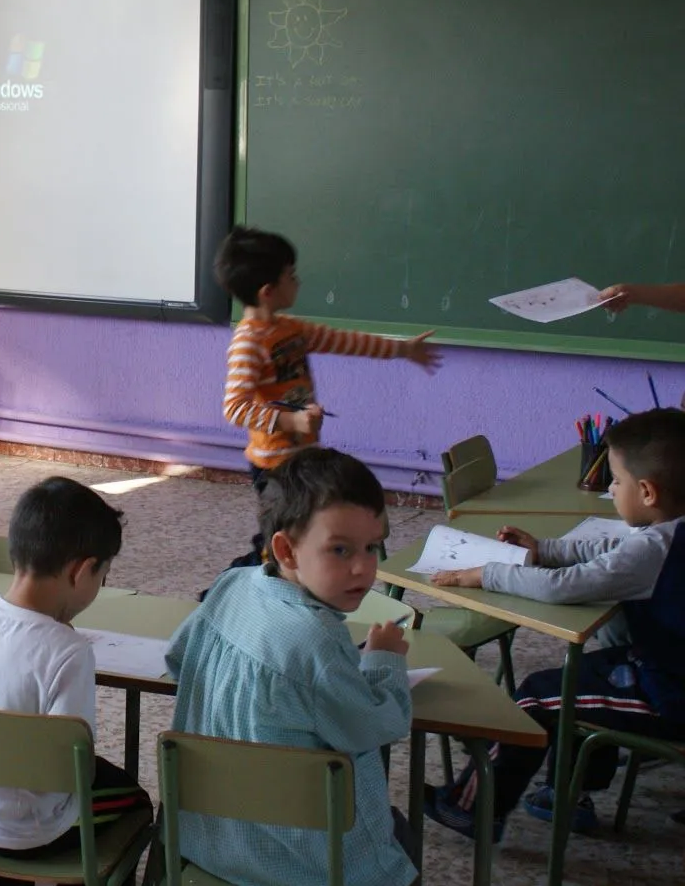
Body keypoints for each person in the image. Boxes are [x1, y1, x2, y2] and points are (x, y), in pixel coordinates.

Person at [424, 407, 685, 839]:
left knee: (536, 699)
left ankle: (472, 809)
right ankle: (569, 791)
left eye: (615, 482)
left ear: (647, 492)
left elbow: (565, 587)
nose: (612, 490)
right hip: (662, 665)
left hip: (670, 696)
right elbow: (614, 549)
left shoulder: (659, 548)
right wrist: (543, 549)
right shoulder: (668, 532)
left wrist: (486, 573)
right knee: (574, 679)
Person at [167, 448, 415, 886]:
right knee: (402, 839)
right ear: (285, 548)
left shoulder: (229, 586)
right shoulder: (318, 640)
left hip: (211, 845)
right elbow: (375, 728)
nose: (363, 567)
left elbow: (178, 658)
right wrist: (384, 660)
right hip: (308, 868)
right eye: (340, 550)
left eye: (372, 547)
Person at [0, 478, 147, 880]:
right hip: (29, 834)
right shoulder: (70, 652)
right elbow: (70, 766)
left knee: (16, 776)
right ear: (81, 572)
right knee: (134, 800)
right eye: (103, 576)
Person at [215, 226, 440, 567]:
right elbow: (235, 407)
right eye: (291, 275)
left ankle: (291, 583)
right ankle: (230, 587)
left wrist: (403, 349)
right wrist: (290, 419)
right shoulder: (248, 342)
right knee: (276, 543)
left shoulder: (291, 330)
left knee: (298, 533)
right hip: (273, 465)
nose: (298, 281)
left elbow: (347, 341)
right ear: (267, 291)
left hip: (304, 456)